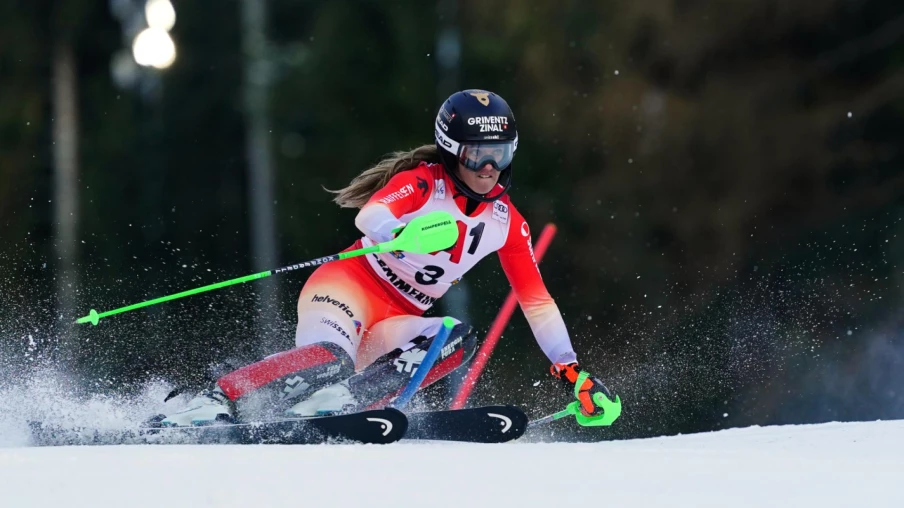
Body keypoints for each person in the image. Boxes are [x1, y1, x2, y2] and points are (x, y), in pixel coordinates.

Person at [158, 89, 619, 426]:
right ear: (452, 151)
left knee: (453, 337)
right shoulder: (424, 183)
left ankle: (342, 402)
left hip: (396, 318)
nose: (488, 168)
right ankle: (215, 397)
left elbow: (537, 302)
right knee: (330, 359)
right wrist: (397, 234)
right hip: (347, 288)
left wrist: (570, 369)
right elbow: (371, 215)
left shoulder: (507, 222)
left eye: (497, 155)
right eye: (477, 155)